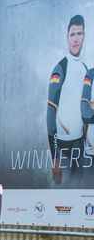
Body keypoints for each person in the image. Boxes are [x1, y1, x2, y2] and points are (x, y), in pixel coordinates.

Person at [46, 15, 88, 184]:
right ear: (67, 38)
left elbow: (86, 111)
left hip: (79, 145)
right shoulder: (60, 68)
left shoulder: (86, 70)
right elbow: (50, 114)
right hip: (60, 146)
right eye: (72, 34)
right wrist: (55, 160)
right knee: (59, 199)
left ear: (84, 35)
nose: (76, 39)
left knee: (78, 193)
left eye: (79, 34)